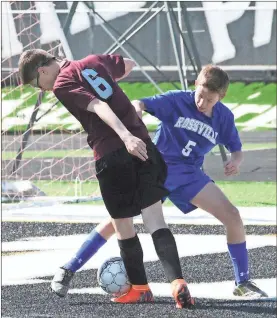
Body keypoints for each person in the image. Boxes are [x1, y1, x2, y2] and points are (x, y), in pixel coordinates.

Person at [51, 65, 267, 299]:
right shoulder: (177, 100)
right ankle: (69, 268)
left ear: (221, 97)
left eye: (210, 99)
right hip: (156, 169)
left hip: (189, 175)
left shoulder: (224, 117)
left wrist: (236, 162)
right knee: (118, 220)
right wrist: (137, 111)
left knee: (232, 216)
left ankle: (242, 282)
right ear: (196, 84)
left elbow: (236, 150)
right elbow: (140, 102)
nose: (202, 102)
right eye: (200, 95)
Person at [18, 50, 195, 309]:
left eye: (37, 84)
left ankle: (141, 289)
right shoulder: (93, 61)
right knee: (156, 219)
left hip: (113, 153)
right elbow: (129, 64)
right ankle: (177, 282)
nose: (42, 90)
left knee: (123, 225)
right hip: (144, 144)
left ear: (43, 70)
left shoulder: (62, 84)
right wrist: (108, 83)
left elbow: (99, 105)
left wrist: (124, 137)